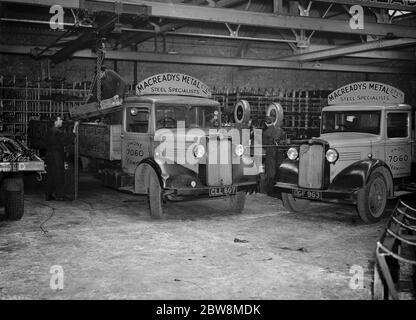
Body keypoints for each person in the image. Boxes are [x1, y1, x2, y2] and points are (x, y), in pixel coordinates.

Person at [44, 116, 79, 201]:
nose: (61, 121)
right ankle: (60, 195)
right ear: (55, 122)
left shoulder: (49, 130)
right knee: (59, 174)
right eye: (60, 119)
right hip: (56, 155)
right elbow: (67, 140)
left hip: (49, 155)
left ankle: (49, 195)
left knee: (50, 175)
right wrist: (75, 127)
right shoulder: (57, 132)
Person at [262, 116, 285, 195]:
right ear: (272, 122)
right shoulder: (280, 130)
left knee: (270, 171)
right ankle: (279, 190)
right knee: (279, 169)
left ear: (265, 123)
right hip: (280, 152)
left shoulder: (265, 133)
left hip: (270, 152)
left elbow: (264, 145)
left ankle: (271, 191)